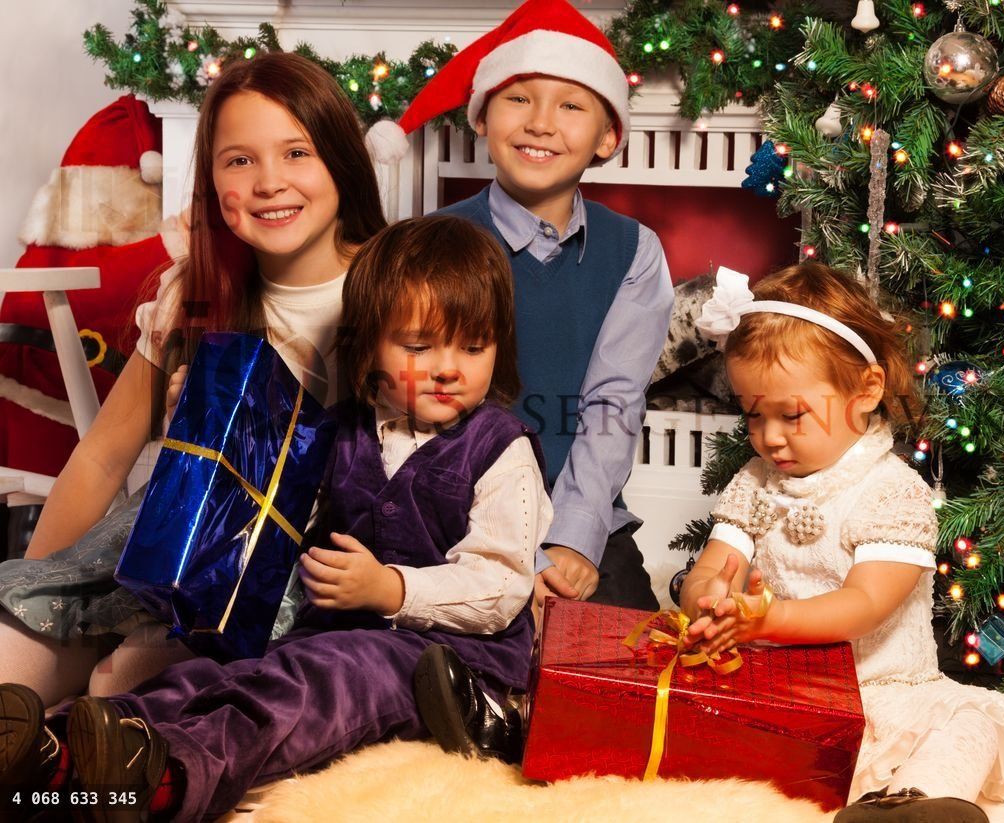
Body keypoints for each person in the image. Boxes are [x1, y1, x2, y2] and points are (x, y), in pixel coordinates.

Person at [0, 214, 551, 822]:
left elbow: (502, 583)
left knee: (312, 688)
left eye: (474, 347)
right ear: (369, 348)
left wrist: (393, 588)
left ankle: (169, 779)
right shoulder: (341, 431)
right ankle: (66, 754)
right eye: (419, 346)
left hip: (450, 661)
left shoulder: (502, 449)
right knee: (216, 677)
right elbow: (265, 500)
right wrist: (201, 415)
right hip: (334, 634)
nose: (449, 367)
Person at [0, 52, 385, 706]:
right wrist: (39, 583)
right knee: (13, 654)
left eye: (296, 152)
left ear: (341, 162)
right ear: (210, 182)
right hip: (155, 542)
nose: (269, 182)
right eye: (240, 160)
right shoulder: (195, 292)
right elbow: (100, 458)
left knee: (117, 686)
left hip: (296, 572)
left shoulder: (388, 287)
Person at [680, 265, 1004, 821]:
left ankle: (914, 802)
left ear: (866, 390)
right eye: (754, 415)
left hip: (880, 687)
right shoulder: (755, 482)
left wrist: (769, 619)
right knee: (699, 721)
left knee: (970, 722)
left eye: (791, 415)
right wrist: (710, 600)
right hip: (780, 689)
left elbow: (865, 604)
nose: (769, 436)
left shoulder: (890, 490)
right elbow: (714, 565)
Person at [379, 0, 672, 621]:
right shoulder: (429, 246)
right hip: (451, 519)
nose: (541, 123)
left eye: (571, 105)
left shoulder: (634, 253)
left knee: (637, 675)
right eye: (518, 99)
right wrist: (515, 557)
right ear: (480, 116)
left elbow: (613, 402)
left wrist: (571, 538)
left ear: (607, 136)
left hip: (581, 520)